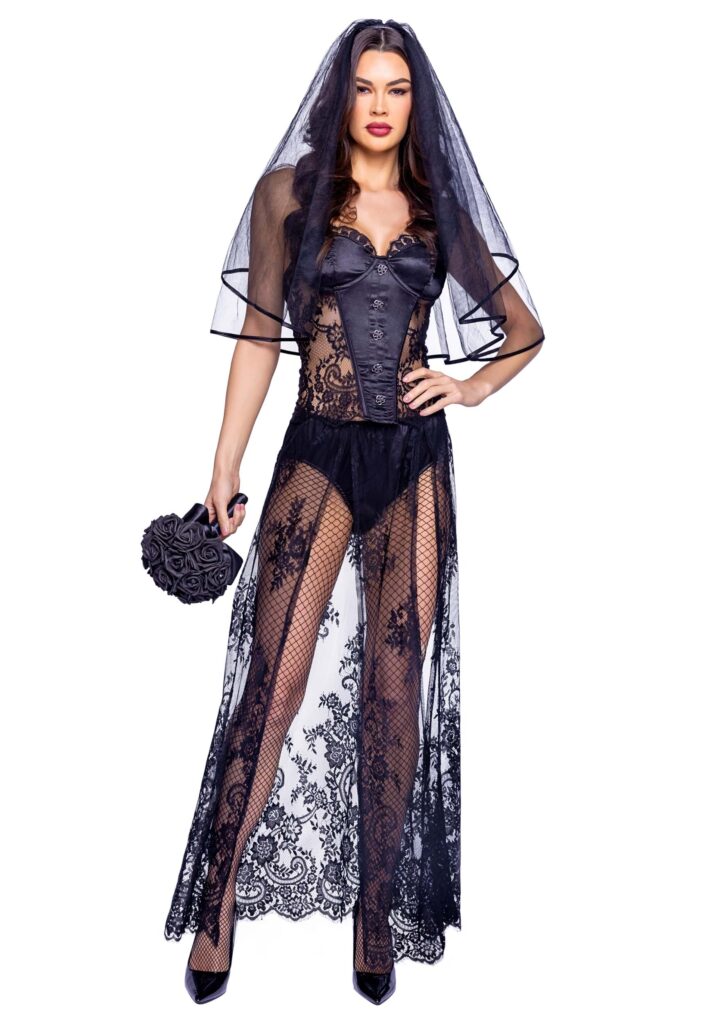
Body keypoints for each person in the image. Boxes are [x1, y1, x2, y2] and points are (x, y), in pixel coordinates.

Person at [163, 18, 544, 1006]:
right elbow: (258, 337)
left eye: (398, 89)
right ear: (342, 97)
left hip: (415, 465)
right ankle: (217, 898)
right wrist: (223, 465)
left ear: (416, 104)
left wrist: (469, 386)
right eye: (366, 87)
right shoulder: (287, 197)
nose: (380, 106)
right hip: (318, 456)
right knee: (275, 684)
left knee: (394, 690)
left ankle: (376, 909)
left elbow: (524, 330)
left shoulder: (437, 207)